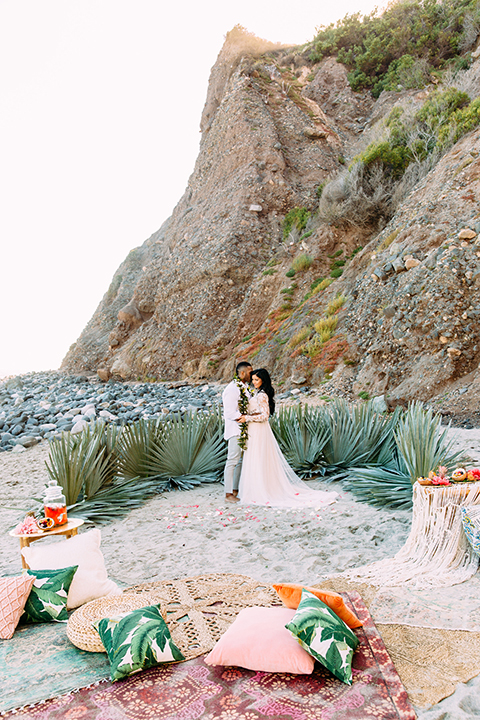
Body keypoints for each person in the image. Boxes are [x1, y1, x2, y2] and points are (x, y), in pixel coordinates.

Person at [237, 368, 338, 508]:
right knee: (255, 457)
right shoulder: (257, 393)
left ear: (263, 380)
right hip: (254, 428)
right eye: (253, 379)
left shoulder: (262, 395)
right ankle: (257, 488)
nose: (253, 382)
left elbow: (265, 416)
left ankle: (260, 490)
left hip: (259, 429)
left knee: (257, 457)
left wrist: (247, 418)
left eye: (256, 380)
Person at [221, 361, 253, 504]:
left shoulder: (245, 387)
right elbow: (229, 412)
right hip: (235, 430)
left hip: (243, 430)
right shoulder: (233, 389)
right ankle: (228, 494)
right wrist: (244, 419)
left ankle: (235, 489)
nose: (252, 375)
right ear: (242, 373)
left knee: (240, 461)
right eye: (250, 372)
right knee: (232, 461)